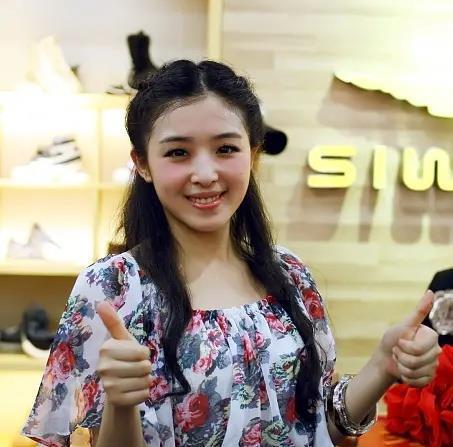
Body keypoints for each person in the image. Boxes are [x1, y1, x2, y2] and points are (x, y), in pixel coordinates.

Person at [22, 60, 441, 447]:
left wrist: (382, 366)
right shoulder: (110, 287)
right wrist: (120, 402)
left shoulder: (290, 274)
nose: (206, 174)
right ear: (143, 164)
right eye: (178, 152)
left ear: (253, 154)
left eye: (225, 149)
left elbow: (318, 430)